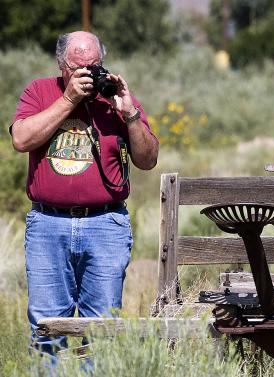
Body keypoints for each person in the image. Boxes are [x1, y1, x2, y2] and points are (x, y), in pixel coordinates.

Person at [10, 31, 159, 357]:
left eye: (95, 67)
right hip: (48, 225)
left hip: (105, 224)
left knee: (103, 328)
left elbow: (148, 160)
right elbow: (21, 139)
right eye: (78, 68)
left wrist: (130, 113)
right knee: (46, 325)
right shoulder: (40, 91)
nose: (88, 75)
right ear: (62, 65)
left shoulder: (113, 98)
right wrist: (69, 100)